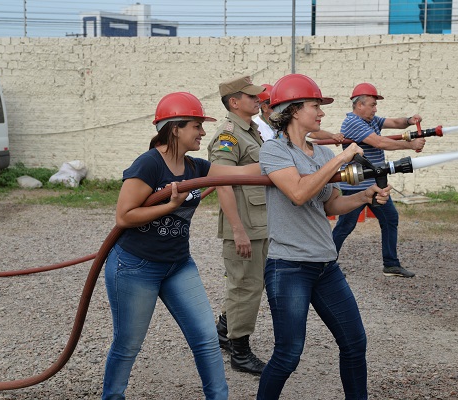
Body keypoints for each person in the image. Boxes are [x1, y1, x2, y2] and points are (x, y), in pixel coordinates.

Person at [102, 92, 260, 400]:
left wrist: (281, 160)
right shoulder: (148, 165)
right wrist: (168, 205)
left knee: (205, 338)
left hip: (177, 265)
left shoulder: (195, 168)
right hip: (135, 266)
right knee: (128, 344)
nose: (202, 132)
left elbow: (240, 172)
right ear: (175, 128)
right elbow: (123, 215)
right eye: (196, 126)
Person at [256, 73, 391, 399]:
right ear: (291, 109)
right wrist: (343, 158)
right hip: (288, 266)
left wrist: (363, 197)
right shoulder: (274, 151)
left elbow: (329, 202)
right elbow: (299, 193)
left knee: (355, 342)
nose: (321, 112)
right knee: (288, 354)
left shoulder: (321, 154)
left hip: (325, 265)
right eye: (315, 106)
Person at [206, 75, 267, 375]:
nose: (258, 100)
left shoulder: (251, 131)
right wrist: (238, 229)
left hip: (258, 221)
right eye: (251, 96)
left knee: (247, 284)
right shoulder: (229, 135)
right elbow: (222, 183)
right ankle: (240, 354)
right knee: (246, 287)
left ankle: (224, 331)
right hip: (244, 224)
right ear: (234, 102)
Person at [332, 83, 425, 278]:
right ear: (359, 105)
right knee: (345, 226)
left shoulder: (371, 120)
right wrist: (410, 145)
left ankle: (391, 265)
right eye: (372, 105)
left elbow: (395, 122)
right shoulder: (353, 123)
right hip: (357, 184)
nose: (375, 109)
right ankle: (323, 264)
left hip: (375, 183)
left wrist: (409, 120)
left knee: (390, 219)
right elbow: (380, 142)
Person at [254, 82, 346, 143]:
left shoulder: (291, 124)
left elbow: (313, 133)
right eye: (274, 106)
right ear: (264, 107)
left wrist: (332, 136)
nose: (280, 110)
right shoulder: (255, 126)